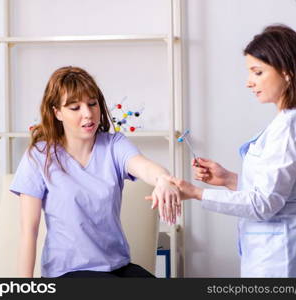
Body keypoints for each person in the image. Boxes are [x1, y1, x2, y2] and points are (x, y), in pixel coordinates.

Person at [150, 24, 296, 277]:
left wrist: (198, 193)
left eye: (257, 72)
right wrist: (228, 179)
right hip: (280, 249)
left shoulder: (292, 125)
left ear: (287, 72)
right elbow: (279, 191)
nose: (249, 82)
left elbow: (265, 203)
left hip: (283, 256)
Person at [10, 66, 180, 278]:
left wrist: (163, 179)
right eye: (75, 107)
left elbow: (145, 166)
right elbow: (29, 230)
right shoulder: (39, 156)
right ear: (57, 112)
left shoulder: (114, 145)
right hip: (68, 273)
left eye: (92, 104)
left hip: (118, 268)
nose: (88, 114)